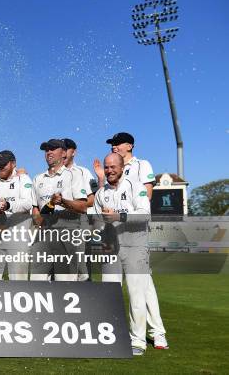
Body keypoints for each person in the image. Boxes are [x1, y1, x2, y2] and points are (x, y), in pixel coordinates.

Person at [95, 132, 168, 350]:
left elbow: (144, 214)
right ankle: (114, 336)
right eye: (106, 167)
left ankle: (140, 340)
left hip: (135, 244)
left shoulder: (137, 183)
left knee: (139, 293)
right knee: (110, 293)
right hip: (112, 247)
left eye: (112, 167)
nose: (109, 170)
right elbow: (96, 223)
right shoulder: (101, 193)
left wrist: (118, 216)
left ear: (122, 167)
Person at [30, 139, 88, 281]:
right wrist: (38, 221)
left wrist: (63, 202)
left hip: (66, 233)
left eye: (53, 149)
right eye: (46, 149)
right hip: (44, 234)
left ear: (63, 153)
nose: (49, 152)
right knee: (37, 282)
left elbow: (83, 207)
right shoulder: (37, 179)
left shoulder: (74, 175)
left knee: (65, 283)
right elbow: (35, 208)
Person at [0, 150, 35, 280]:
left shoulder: (23, 179)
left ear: (13, 164)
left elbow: (28, 203)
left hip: (18, 237)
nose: (0, 167)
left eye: (3, 164)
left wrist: (8, 206)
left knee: (18, 281)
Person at [63, 138, 96, 281]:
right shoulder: (50, 174)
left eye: (66, 149)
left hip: (77, 221)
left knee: (79, 266)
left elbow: (93, 199)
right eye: (60, 149)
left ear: (74, 152)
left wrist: (70, 204)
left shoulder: (83, 172)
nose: (63, 153)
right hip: (55, 224)